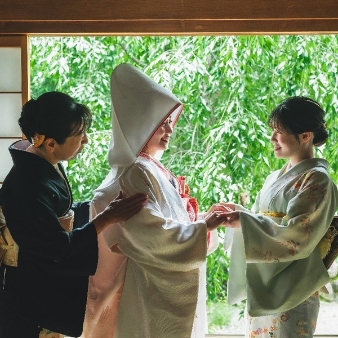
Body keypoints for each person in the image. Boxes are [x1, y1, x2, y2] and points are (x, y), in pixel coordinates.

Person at [82, 63, 230, 338]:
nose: (169, 130)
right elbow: (148, 233)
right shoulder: (136, 170)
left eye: (169, 124)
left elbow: (166, 222)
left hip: (155, 281)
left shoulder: (150, 168)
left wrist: (200, 221)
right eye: (160, 125)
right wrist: (202, 228)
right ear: (140, 126)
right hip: (146, 283)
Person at [0, 91, 148, 338]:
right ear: (50, 143)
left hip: (39, 281)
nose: (86, 140)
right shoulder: (26, 184)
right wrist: (105, 219)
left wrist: (100, 207)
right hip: (25, 291)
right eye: (79, 135)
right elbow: (57, 248)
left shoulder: (42, 163)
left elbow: (59, 213)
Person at [222, 96, 338, 337]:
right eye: (272, 131)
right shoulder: (273, 177)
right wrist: (239, 214)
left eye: (279, 132)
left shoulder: (318, 180)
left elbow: (297, 238)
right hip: (266, 283)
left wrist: (245, 222)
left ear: (305, 135)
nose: (272, 138)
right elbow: (262, 220)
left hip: (294, 287)